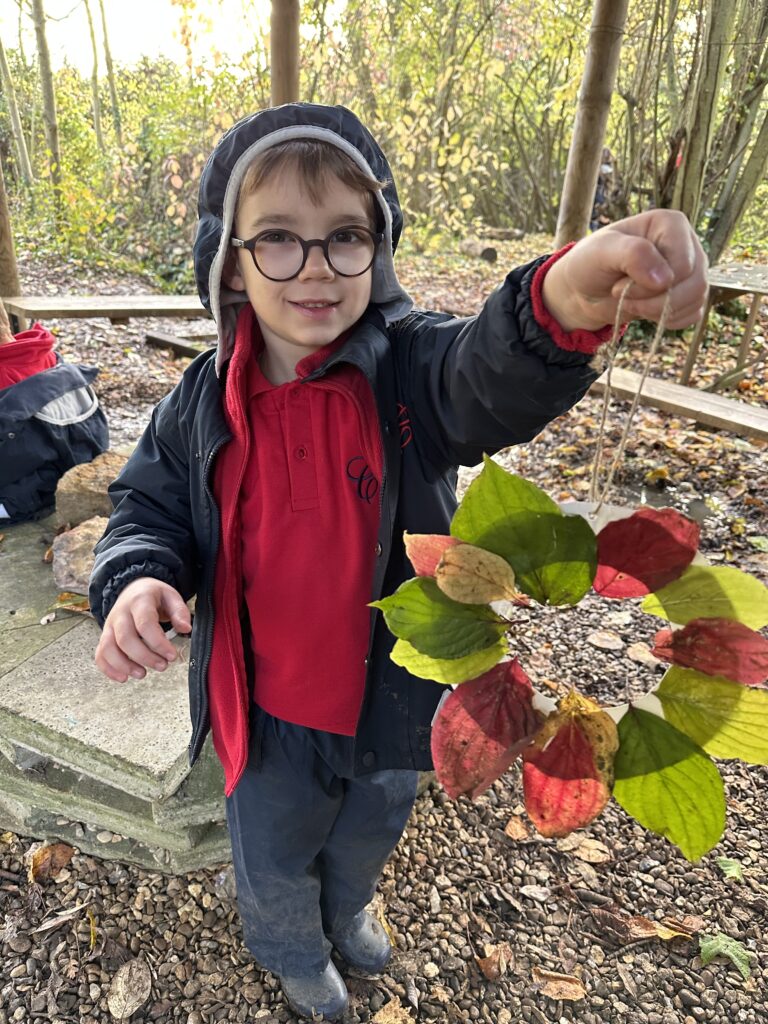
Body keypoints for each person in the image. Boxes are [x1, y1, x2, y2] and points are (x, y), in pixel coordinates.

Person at [89, 103, 707, 1020]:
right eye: (278, 241)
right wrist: (138, 578)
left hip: (393, 694)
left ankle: (348, 907)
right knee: (271, 844)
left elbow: (482, 374)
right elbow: (148, 505)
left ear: (377, 248)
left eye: (344, 237)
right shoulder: (199, 404)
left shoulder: (407, 372)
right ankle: (291, 945)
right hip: (264, 712)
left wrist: (563, 301)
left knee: (372, 825)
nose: (314, 268)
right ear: (229, 259)